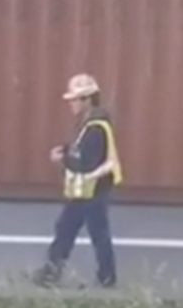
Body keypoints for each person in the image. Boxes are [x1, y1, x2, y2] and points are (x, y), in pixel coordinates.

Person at [32, 73, 123, 289]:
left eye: (74, 99)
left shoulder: (95, 127)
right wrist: (65, 149)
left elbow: (86, 163)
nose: (71, 103)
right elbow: (79, 148)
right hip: (87, 189)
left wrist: (63, 159)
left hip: (93, 189)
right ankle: (54, 271)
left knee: (94, 232)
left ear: (87, 99)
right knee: (67, 228)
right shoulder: (90, 122)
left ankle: (106, 278)